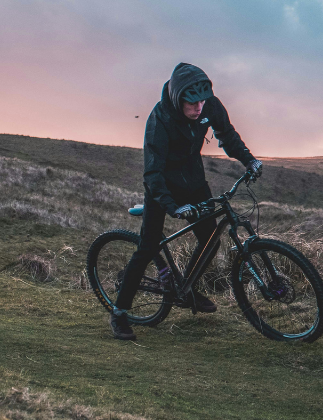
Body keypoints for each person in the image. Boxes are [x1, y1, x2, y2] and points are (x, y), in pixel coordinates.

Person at [110, 62, 264, 341]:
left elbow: (227, 135)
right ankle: (120, 312)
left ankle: (187, 289)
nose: (199, 108)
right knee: (148, 247)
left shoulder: (209, 105)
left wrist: (249, 160)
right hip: (162, 188)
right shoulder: (159, 119)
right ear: (177, 99)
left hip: (194, 183)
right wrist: (172, 206)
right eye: (192, 104)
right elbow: (152, 172)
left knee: (210, 240)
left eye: (202, 102)